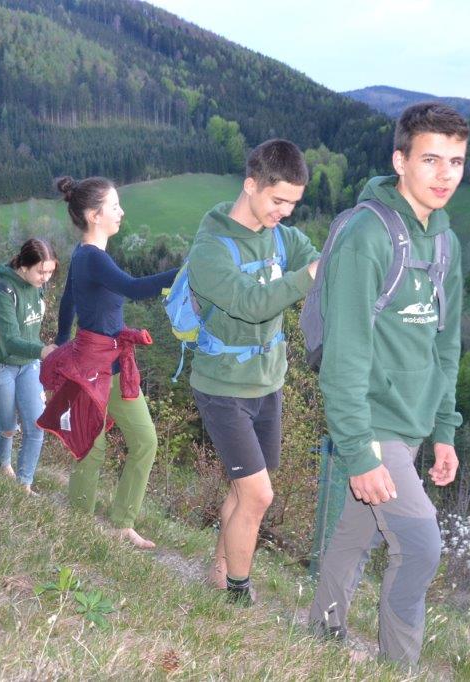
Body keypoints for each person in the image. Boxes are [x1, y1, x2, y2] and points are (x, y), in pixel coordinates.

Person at [308, 102, 466, 667]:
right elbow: (345, 356)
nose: (445, 174)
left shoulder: (445, 243)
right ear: (400, 161)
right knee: (421, 546)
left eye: (456, 161)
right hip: (373, 423)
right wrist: (358, 449)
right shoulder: (368, 236)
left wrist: (444, 430)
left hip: (413, 421)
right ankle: (398, 667)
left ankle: (320, 633)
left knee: (356, 535)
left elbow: (445, 345)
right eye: (430, 159)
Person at [185, 139, 320, 603]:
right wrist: (307, 276)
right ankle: (238, 595)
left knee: (246, 489)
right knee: (259, 495)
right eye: (278, 200)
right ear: (250, 185)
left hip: (268, 383)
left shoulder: (281, 236)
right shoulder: (210, 248)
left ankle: (220, 570)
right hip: (222, 386)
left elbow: (318, 259)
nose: (285, 212)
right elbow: (250, 303)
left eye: (293, 204)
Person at [45, 175, 178, 549]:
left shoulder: (85, 256)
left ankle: (122, 524)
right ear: (94, 215)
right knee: (93, 445)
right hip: (92, 367)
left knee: (145, 441)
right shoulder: (91, 257)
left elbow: (68, 300)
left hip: (115, 366)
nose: (121, 212)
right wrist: (187, 272)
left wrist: (59, 342)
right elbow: (133, 288)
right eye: (114, 206)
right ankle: (79, 526)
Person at [0, 238, 58, 493]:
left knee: (36, 426)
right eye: (41, 272)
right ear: (24, 267)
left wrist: (38, 353)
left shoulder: (37, 287)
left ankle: (24, 484)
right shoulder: (2, 291)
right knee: (7, 427)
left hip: (29, 365)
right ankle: (4, 464)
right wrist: (42, 350)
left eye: (50, 272)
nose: (45, 278)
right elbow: (11, 340)